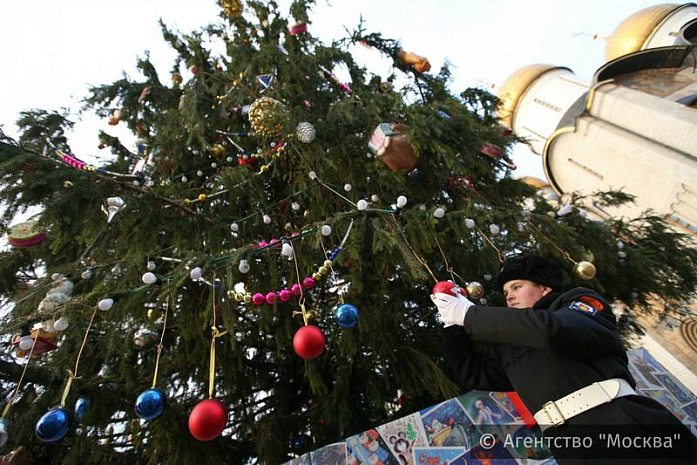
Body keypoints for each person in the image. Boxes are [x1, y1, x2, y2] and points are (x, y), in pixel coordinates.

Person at [431, 253, 695, 464]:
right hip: (569, 444)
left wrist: (471, 315)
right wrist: (451, 323)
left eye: (517, 286)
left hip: (622, 423)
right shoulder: (513, 346)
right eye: (506, 291)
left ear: (544, 288)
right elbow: (473, 373)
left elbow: (552, 331)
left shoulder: (578, 303)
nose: (508, 295)